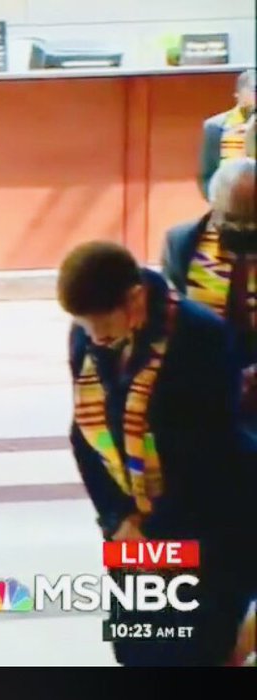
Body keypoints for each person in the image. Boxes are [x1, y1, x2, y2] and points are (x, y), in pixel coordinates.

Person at [60, 241, 256, 666]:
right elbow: (84, 437)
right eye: (85, 327)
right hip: (132, 522)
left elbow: (210, 454)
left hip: (203, 521)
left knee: (195, 649)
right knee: (135, 647)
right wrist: (117, 518)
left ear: (135, 299)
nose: (94, 338)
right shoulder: (85, 338)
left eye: (103, 326)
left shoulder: (199, 336)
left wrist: (154, 530)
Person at [163, 158, 257, 426]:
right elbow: (175, 320)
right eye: (233, 221)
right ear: (214, 207)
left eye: (253, 223)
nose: (243, 230)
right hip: (208, 374)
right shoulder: (182, 243)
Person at [198, 69, 255, 199]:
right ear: (238, 95)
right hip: (228, 200)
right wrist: (219, 200)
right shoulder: (216, 127)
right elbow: (207, 176)